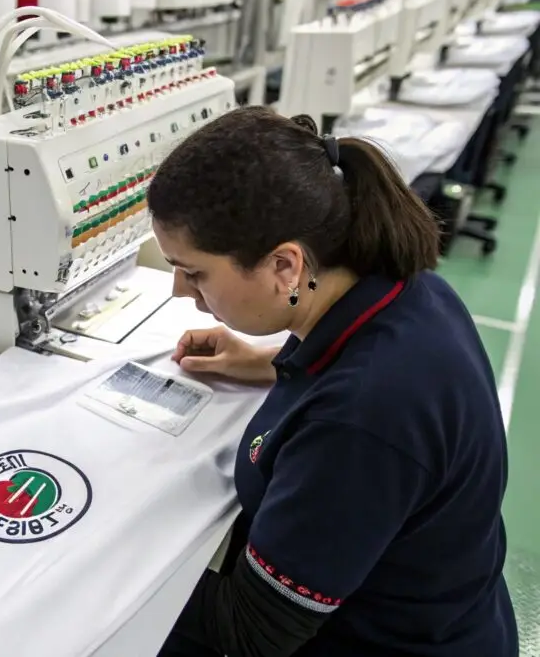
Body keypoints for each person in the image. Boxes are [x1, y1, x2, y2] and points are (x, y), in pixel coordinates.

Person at [148, 106, 517, 657]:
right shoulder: (403, 290)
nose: (181, 290)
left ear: (285, 267)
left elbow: (250, 631)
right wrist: (264, 361)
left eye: (195, 271)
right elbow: (344, 373)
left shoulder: (363, 418)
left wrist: (105, 577)